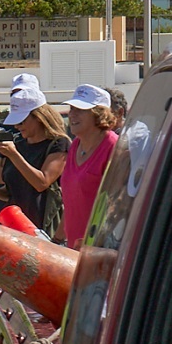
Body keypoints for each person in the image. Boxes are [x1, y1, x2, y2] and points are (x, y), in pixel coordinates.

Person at [0, 87, 69, 231]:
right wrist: (0, 191)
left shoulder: (58, 144)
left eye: (22, 121)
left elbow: (41, 182)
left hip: (42, 227)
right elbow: (18, 188)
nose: (17, 126)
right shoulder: (18, 144)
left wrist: (13, 155)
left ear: (39, 117)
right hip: (13, 226)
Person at [60, 84, 120, 248]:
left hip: (100, 249)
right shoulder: (75, 146)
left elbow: (118, 206)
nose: (72, 114)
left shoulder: (113, 147)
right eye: (72, 108)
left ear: (98, 114)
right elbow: (71, 202)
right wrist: (57, 240)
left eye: (80, 109)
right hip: (74, 247)